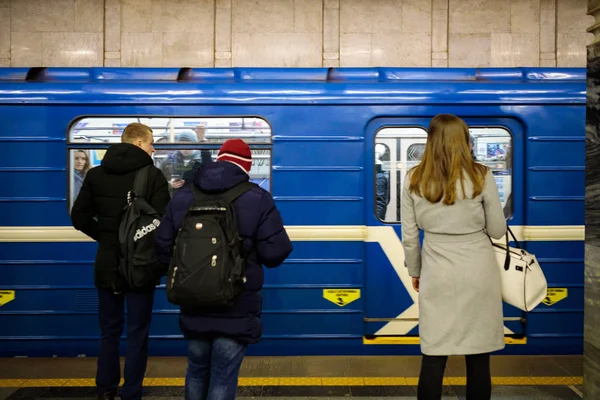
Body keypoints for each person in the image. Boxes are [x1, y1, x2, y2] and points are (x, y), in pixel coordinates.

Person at [155, 138, 293, 400]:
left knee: (196, 369)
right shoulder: (258, 198)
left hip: (193, 301)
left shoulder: (184, 196)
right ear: (246, 167)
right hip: (237, 303)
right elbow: (275, 252)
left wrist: (190, 273)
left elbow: (162, 246)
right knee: (222, 374)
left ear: (219, 159)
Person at [401, 114, 506, 400]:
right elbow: (497, 230)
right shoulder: (481, 175)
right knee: (478, 354)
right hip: (478, 269)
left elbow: (409, 236)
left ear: (431, 141)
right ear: (465, 141)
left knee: (434, 352)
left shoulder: (413, 178)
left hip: (437, 269)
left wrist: (416, 271)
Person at [71, 123, 171, 400]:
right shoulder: (153, 176)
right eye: (151, 143)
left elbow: (78, 217)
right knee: (137, 333)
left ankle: (105, 388)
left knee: (109, 331)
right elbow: (163, 223)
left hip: (106, 264)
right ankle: (131, 392)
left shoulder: (95, 174)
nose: (154, 148)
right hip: (140, 265)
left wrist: (106, 237)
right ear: (138, 143)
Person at [159, 127, 212, 195]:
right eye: (182, 144)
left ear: (194, 144)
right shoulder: (168, 161)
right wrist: (169, 185)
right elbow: (158, 182)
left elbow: (211, 174)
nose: (185, 149)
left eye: (188, 144)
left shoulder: (201, 159)